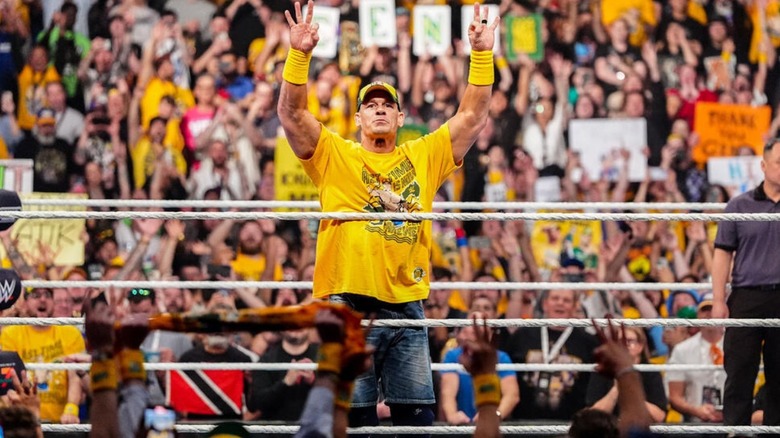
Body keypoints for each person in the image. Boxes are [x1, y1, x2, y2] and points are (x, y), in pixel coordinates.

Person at [277, 0, 499, 429]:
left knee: (416, 421)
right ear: (358, 116)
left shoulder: (425, 154)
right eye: (370, 104)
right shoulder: (333, 154)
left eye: (386, 104)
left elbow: (473, 115)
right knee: (353, 421)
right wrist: (299, 55)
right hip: (347, 304)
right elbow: (291, 112)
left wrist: (482, 54)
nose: (379, 108)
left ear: (400, 116)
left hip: (408, 304)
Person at [713, 136, 780, 427]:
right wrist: (717, 299)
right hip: (746, 296)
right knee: (739, 370)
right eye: (779, 162)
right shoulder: (739, 205)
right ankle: (734, 433)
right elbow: (722, 254)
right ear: (764, 166)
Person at [586, 326, 667, 422]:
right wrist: (616, 390)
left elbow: (659, 416)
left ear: (640, 346)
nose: (625, 344)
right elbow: (591, 417)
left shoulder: (650, 371)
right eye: (620, 341)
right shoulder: (604, 369)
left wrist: (631, 390)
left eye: (629, 340)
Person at [666, 292, 726, 423]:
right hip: (695, 421)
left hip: (732, 419)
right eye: (705, 310)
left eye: (713, 309)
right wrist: (696, 410)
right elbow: (674, 397)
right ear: (698, 316)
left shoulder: (737, 347)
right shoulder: (682, 350)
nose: (709, 315)